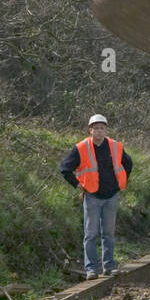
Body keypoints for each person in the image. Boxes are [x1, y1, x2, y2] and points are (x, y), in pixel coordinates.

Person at [60, 114, 133, 280]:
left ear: (105, 130)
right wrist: (78, 185)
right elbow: (65, 169)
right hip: (92, 196)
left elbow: (128, 164)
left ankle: (109, 266)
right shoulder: (81, 148)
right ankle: (91, 269)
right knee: (90, 234)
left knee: (108, 233)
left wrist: (121, 181)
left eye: (102, 128)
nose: (99, 131)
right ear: (90, 130)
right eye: (96, 128)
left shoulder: (115, 146)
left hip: (111, 196)